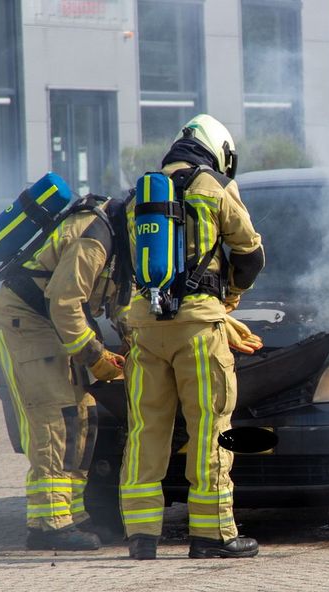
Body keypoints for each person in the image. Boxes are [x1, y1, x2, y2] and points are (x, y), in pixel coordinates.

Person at [119, 114, 265, 560]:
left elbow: (130, 267)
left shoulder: (139, 196)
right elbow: (250, 253)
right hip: (199, 328)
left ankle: (141, 537)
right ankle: (213, 534)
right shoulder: (212, 187)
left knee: (146, 428)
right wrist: (230, 299)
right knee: (209, 426)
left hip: (146, 326)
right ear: (218, 149)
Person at [0, 195, 131, 550]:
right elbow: (64, 302)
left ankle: (73, 514)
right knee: (54, 419)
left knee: (82, 417)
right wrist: (95, 355)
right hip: (26, 324)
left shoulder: (117, 240)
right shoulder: (94, 239)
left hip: (51, 324)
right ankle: (49, 524)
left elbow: (115, 303)